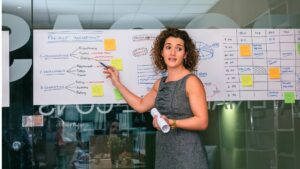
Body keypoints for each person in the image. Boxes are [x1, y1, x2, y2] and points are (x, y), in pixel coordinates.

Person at [103, 27, 209, 169]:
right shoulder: (160, 84)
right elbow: (140, 105)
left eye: (178, 48)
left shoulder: (191, 82)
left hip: (188, 154)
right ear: (161, 52)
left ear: (185, 54)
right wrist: (117, 82)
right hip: (164, 152)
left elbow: (202, 122)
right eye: (168, 47)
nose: (172, 52)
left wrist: (171, 122)